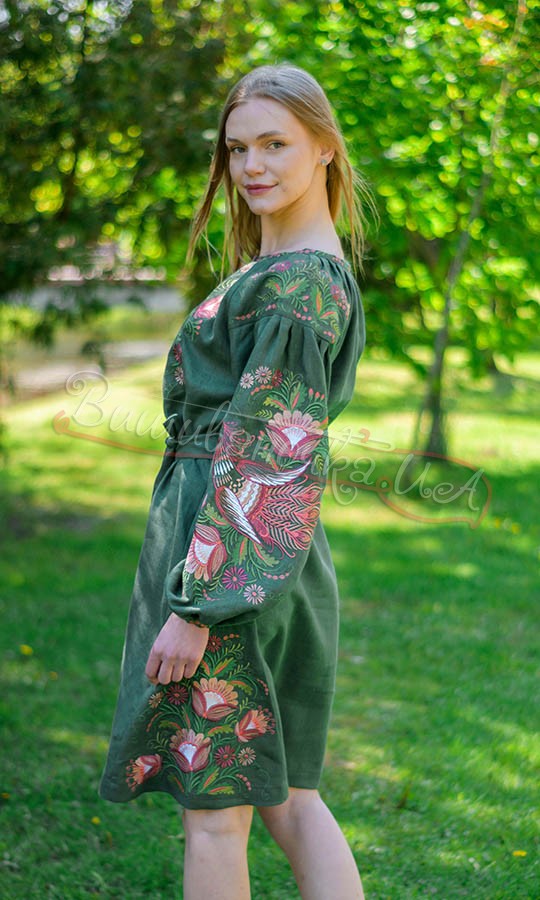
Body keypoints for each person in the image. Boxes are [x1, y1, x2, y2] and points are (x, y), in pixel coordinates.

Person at [99, 63, 375, 900]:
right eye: (237, 148)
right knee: (288, 797)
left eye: (274, 144)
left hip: (231, 565)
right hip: (260, 557)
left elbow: (267, 455)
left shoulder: (297, 285)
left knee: (215, 813)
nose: (252, 165)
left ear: (324, 147)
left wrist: (198, 606)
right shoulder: (287, 266)